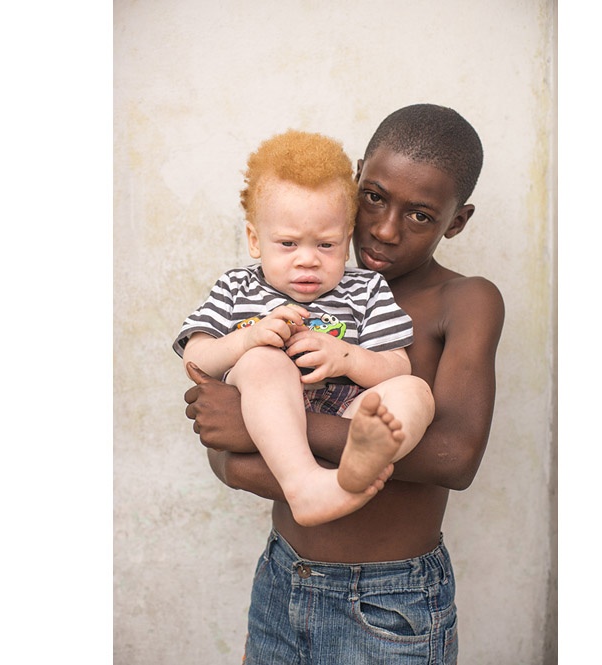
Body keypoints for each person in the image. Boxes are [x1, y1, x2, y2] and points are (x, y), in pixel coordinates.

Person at [184, 104, 505, 664]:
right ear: (356, 183)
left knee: (409, 395)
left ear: (457, 221)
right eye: (375, 198)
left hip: (390, 600)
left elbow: (454, 457)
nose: (384, 228)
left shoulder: (464, 300)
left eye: (421, 215)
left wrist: (275, 432)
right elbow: (226, 442)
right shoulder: (284, 290)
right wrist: (234, 449)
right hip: (283, 577)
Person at [174, 129, 435, 528]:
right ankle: (304, 485)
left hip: (345, 414)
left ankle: (362, 461)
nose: (308, 260)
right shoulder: (236, 286)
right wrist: (248, 338)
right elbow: (196, 358)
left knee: (414, 391)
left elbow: (397, 366)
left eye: (326, 245)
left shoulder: (365, 289)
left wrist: (346, 356)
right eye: (288, 244)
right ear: (255, 240)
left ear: (347, 242)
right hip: (269, 412)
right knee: (263, 361)